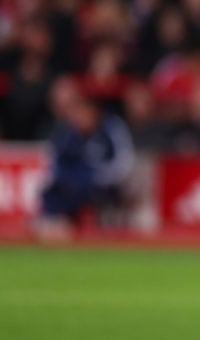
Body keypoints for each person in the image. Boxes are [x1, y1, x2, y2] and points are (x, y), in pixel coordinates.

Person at [34, 76, 134, 242]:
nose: (79, 116)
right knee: (52, 191)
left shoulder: (111, 128)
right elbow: (55, 161)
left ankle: (80, 231)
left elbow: (123, 164)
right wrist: (67, 176)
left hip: (103, 184)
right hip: (75, 181)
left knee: (86, 189)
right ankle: (52, 225)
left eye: (84, 110)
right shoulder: (68, 132)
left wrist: (96, 176)